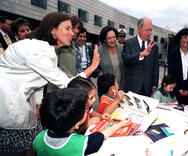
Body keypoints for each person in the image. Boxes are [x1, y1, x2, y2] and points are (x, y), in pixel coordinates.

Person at [0, 12, 99, 155]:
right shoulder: (37, 51)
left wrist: (38, 105)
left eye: (72, 29)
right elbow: (66, 83)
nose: (72, 33)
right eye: (67, 28)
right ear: (53, 30)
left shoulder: (44, 49)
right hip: (10, 109)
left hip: (22, 106)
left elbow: (37, 81)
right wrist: (92, 68)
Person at [34, 88, 131, 155]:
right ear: (77, 125)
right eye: (85, 110)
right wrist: (121, 124)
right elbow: (103, 135)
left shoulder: (38, 138)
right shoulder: (81, 143)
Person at [122, 17, 159, 97]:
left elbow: (155, 67)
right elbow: (126, 59)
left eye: (150, 30)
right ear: (139, 29)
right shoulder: (128, 43)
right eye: (146, 30)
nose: (149, 33)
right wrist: (141, 54)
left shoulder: (154, 46)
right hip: (132, 86)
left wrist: (154, 85)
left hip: (147, 88)